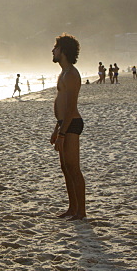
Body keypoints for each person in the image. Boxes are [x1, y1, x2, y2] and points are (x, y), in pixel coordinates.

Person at [49, 34, 86, 220]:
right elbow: (62, 107)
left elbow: (71, 108)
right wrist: (57, 129)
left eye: (56, 47)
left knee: (73, 168)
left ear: (63, 51)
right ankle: (72, 208)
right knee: (65, 167)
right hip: (64, 124)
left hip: (72, 124)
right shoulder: (63, 73)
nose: (53, 50)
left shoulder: (71, 74)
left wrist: (63, 133)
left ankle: (81, 211)